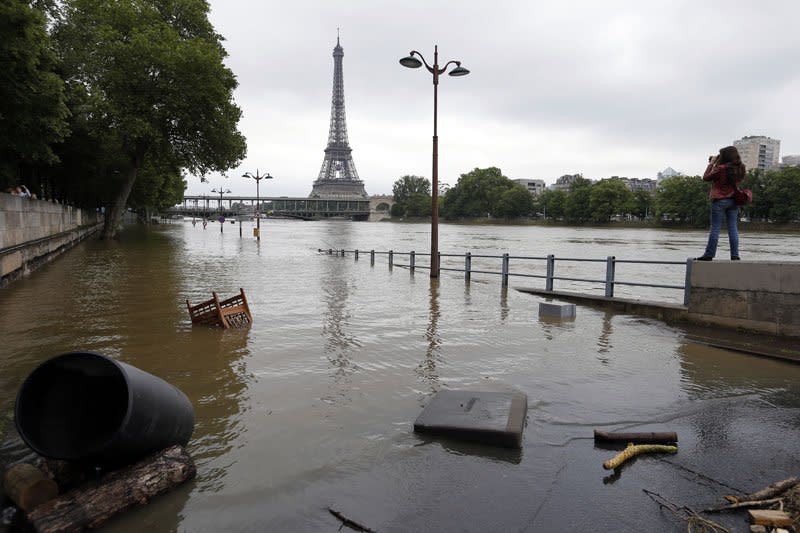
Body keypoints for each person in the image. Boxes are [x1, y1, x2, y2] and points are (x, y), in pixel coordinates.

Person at [696, 145, 746, 261]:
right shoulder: (741, 168)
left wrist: (712, 164)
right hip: (734, 200)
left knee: (715, 228)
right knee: (733, 228)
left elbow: (706, 178)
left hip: (719, 200)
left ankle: (709, 255)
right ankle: (735, 255)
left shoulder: (721, 168)